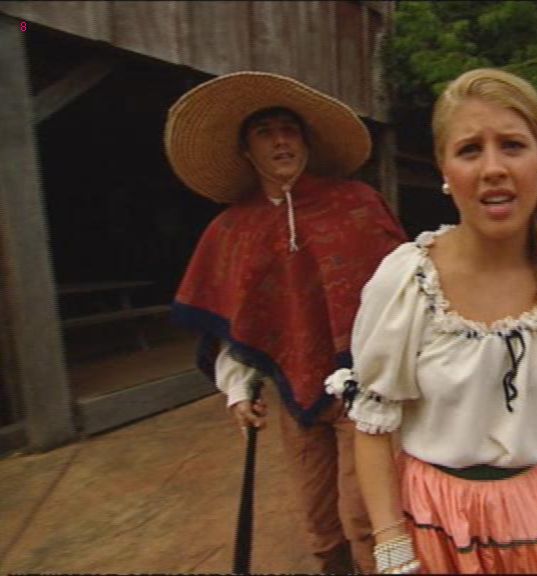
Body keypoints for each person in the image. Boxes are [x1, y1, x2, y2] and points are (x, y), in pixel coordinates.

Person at [324, 68, 537, 574]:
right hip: (432, 524)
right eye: (469, 150)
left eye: (512, 145)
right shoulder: (408, 284)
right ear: (444, 168)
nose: (493, 168)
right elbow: (371, 426)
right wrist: (392, 547)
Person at [164, 71, 407, 574]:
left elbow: (405, 289)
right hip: (295, 396)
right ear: (246, 152)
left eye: (289, 129)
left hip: (365, 389)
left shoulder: (356, 204)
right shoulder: (234, 229)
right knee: (319, 520)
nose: (280, 140)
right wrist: (239, 390)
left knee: (365, 515)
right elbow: (233, 319)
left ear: (306, 142)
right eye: (265, 132)